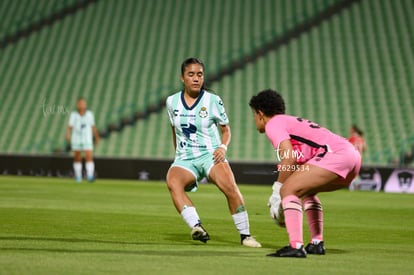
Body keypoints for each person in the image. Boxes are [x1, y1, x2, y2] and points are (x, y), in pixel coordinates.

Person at [248, 89, 361, 257]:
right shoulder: (289, 121)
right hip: (352, 157)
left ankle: (296, 246)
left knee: (288, 190)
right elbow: (295, 160)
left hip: (337, 155)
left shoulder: (274, 123)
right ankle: (316, 243)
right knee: (307, 191)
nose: (254, 119)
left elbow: (289, 157)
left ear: (260, 113)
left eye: (254, 115)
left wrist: (277, 192)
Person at [165, 57, 261, 247]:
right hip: (186, 158)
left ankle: (246, 236)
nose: (195, 78)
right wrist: (178, 156)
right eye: (190, 74)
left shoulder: (213, 100)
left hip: (210, 155)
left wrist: (222, 147)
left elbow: (226, 130)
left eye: (199, 74)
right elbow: (174, 130)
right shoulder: (171, 101)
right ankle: (197, 227)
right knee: (172, 181)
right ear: (182, 78)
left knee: (230, 187)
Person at [66, 97, 99, 182]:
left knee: (89, 156)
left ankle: (90, 175)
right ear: (77, 105)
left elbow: (93, 126)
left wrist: (96, 136)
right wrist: (68, 134)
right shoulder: (73, 115)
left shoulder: (89, 114)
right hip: (76, 138)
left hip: (87, 138)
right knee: (77, 157)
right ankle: (78, 176)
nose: (82, 105)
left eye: (83, 103)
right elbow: (70, 126)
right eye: (80, 103)